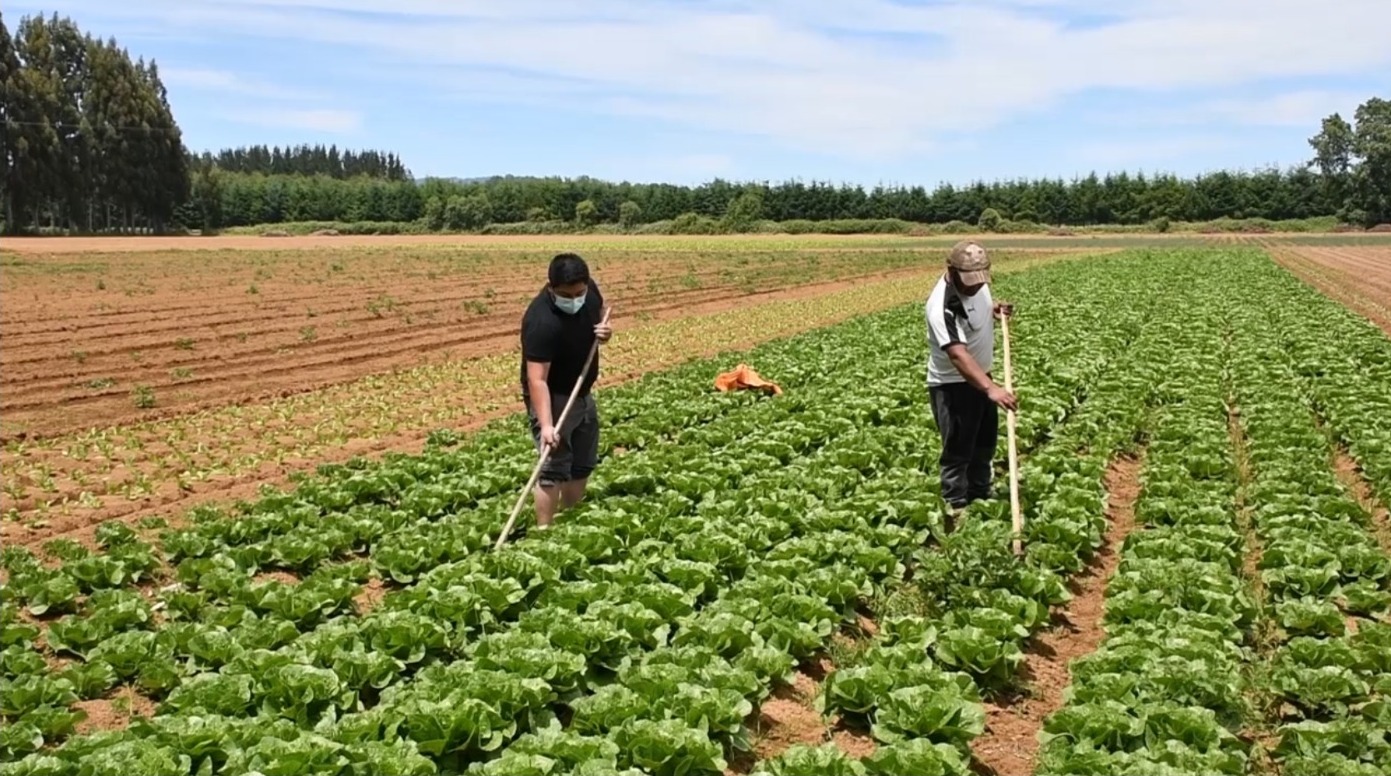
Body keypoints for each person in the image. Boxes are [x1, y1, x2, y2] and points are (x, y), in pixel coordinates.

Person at [924, 239, 1016, 532]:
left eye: (980, 281)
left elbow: (976, 307)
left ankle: (980, 494)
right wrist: (990, 389)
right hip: (953, 386)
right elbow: (957, 355)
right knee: (958, 451)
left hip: (982, 377)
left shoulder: (977, 283)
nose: (975, 287)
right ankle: (956, 509)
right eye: (969, 282)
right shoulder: (941, 307)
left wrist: (994, 309)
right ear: (951, 270)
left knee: (984, 444)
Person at [519, 253, 613, 529]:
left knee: (582, 462)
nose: (574, 299)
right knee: (553, 466)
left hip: (582, 391)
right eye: (566, 295)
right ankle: (545, 530)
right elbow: (537, 379)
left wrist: (606, 332)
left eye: (579, 293)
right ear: (551, 288)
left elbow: (603, 311)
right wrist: (546, 425)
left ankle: (572, 519)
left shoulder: (589, 291)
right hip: (554, 395)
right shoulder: (540, 322)